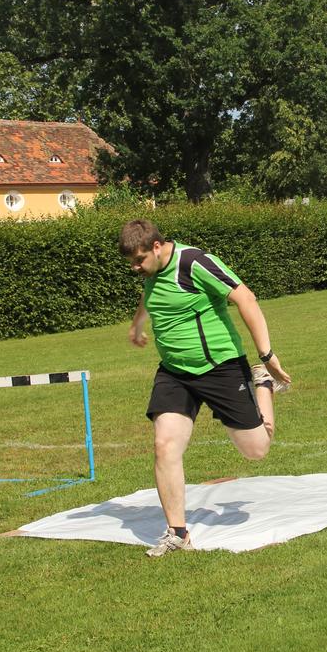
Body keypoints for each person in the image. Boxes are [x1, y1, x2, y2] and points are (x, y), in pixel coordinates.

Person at [119, 219, 291, 557]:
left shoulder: (194, 262)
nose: (135, 268)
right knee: (164, 444)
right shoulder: (152, 272)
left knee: (255, 450)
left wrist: (267, 355)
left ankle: (262, 383)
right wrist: (137, 325)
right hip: (174, 372)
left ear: (157, 246)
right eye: (132, 262)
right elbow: (150, 294)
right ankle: (178, 533)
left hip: (220, 367)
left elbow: (246, 298)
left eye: (139, 260)